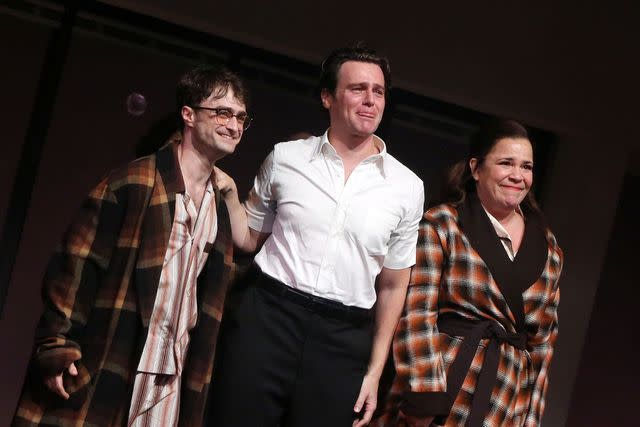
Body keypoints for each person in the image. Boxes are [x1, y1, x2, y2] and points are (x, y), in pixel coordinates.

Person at [12, 64, 251, 426]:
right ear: (188, 114)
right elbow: (78, 262)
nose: (233, 126)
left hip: (174, 373)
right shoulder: (135, 181)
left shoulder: (218, 207)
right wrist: (57, 343)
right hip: (119, 354)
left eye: (240, 117)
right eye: (222, 112)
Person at [209, 46, 424, 427]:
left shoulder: (407, 186)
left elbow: (393, 285)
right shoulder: (286, 157)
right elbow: (250, 239)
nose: (370, 100)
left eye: (379, 91)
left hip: (342, 339)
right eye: (358, 88)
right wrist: (227, 194)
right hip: (268, 317)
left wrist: (375, 372)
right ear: (327, 96)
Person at [374, 119, 563, 426]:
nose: (517, 176)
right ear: (476, 169)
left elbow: (542, 346)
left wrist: (531, 419)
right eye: (506, 163)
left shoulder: (548, 247)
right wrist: (424, 399)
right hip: (444, 386)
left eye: (526, 167)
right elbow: (416, 313)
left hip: (504, 404)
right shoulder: (443, 224)